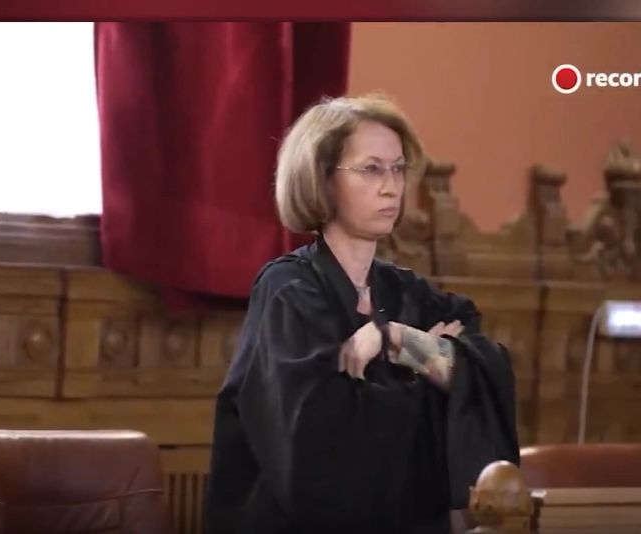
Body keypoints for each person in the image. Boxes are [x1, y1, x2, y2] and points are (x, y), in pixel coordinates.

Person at [204, 93, 520, 534]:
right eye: (371, 169)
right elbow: (316, 449)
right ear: (322, 180)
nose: (392, 187)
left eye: (398, 168)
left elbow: (485, 372)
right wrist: (428, 372)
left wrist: (395, 339)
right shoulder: (288, 292)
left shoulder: (407, 292)